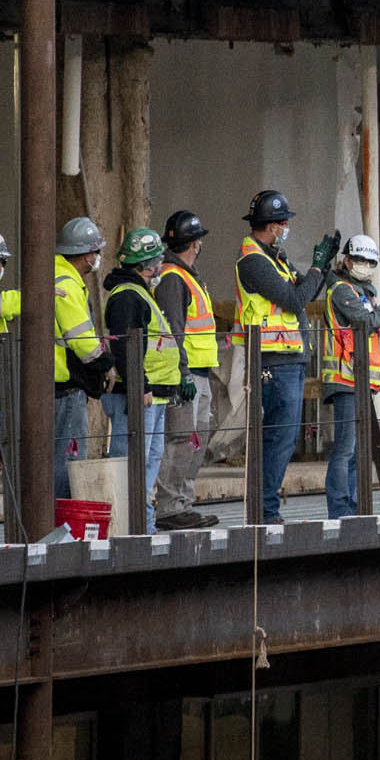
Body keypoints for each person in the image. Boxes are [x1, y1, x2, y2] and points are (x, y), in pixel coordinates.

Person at [235, 190, 338, 522]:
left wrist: (321, 270)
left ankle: (266, 507)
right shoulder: (254, 261)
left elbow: (304, 294)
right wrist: (317, 268)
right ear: (272, 226)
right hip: (272, 361)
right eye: (283, 223)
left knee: (283, 436)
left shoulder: (273, 257)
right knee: (279, 437)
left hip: (287, 358)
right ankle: (265, 510)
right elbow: (295, 301)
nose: (286, 228)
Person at [100, 227, 184, 531]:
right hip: (140, 396)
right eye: (157, 260)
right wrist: (141, 387)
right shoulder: (128, 297)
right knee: (132, 464)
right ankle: (130, 527)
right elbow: (125, 347)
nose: (160, 265)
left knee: (148, 464)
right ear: (146, 265)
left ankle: (142, 525)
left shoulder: (137, 293)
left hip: (154, 395)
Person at [148, 210, 222, 529]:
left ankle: (183, 502)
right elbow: (174, 330)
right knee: (180, 439)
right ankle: (170, 506)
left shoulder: (186, 275)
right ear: (194, 243)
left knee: (194, 441)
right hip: (187, 373)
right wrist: (180, 373)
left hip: (199, 371)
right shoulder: (175, 278)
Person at [316, 234, 380, 518]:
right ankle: (340, 510)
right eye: (359, 260)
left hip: (362, 379)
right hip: (346, 377)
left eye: (369, 262)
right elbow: (366, 323)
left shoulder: (366, 292)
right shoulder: (341, 290)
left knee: (355, 450)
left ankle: (351, 508)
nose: (364, 265)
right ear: (346, 260)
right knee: (345, 449)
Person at [51, 218, 107, 499]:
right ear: (87, 254)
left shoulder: (59, 277)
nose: (97, 259)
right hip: (66, 384)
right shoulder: (67, 285)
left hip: (58, 381)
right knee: (70, 458)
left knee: (61, 454)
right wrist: (105, 365)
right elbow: (82, 341)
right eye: (96, 252)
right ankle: (63, 522)